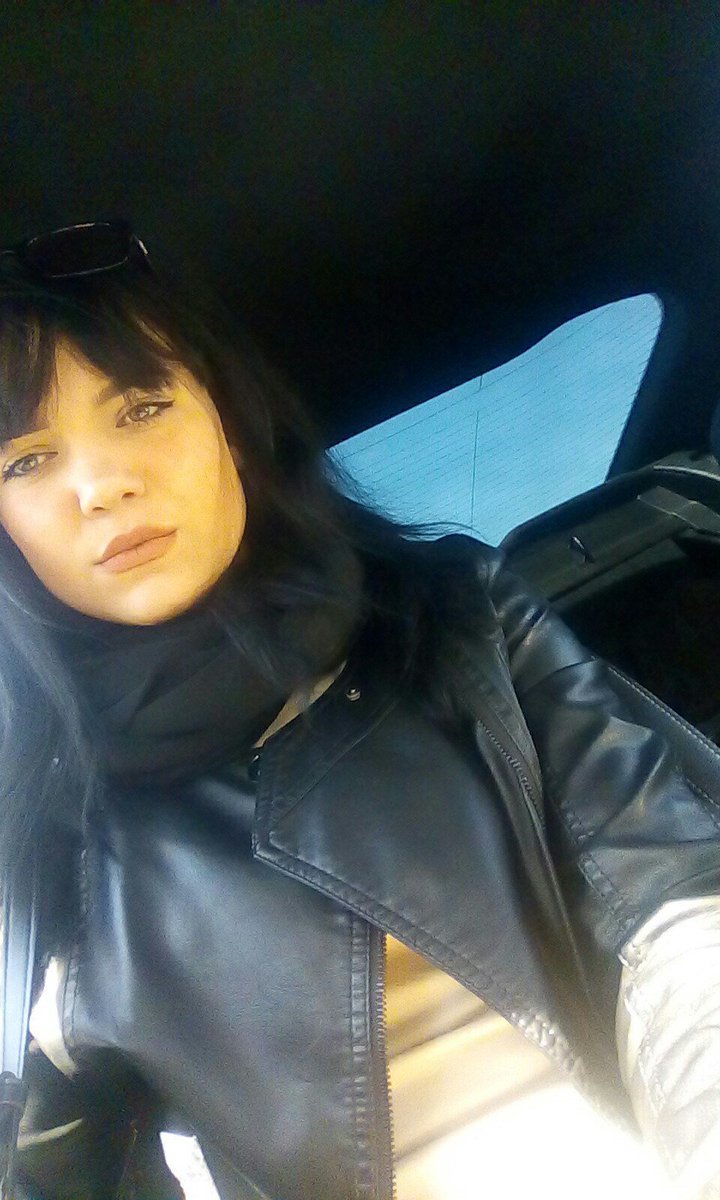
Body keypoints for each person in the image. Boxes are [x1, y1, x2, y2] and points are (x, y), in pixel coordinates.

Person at [0, 219, 718, 1200]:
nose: (100, 485)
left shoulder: (462, 619)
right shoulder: (42, 850)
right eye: (24, 461)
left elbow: (671, 903)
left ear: (229, 424)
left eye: (142, 407)